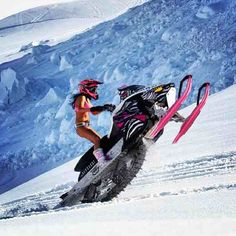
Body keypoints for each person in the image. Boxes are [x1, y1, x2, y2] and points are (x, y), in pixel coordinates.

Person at [71, 79, 115, 162]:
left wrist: (104, 108)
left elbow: (94, 112)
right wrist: (93, 109)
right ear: (85, 88)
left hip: (85, 126)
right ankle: (102, 161)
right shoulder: (81, 97)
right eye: (92, 89)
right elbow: (79, 109)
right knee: (96, 139)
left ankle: (100, 159)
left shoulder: (86, 99)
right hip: (81, 126)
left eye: (95, 89)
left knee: (100, 141)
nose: (94, 91)